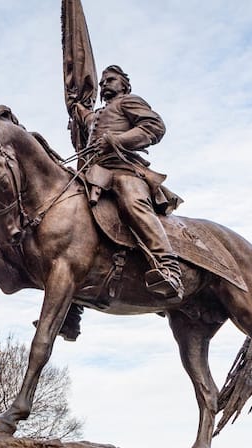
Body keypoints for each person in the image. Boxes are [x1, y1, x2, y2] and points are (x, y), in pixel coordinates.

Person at [71, 65, 184, 301]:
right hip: (93, 175)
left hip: (123, 170)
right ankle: (74, 303)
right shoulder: (96, 116)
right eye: (102, 83)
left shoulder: (129, 102)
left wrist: (118, 140)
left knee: (133, 201)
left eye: (111, 80)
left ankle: (168, 266)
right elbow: (82, 112)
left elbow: (155, 127)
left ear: (125, 85)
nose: (104, 85)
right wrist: (75, 102)